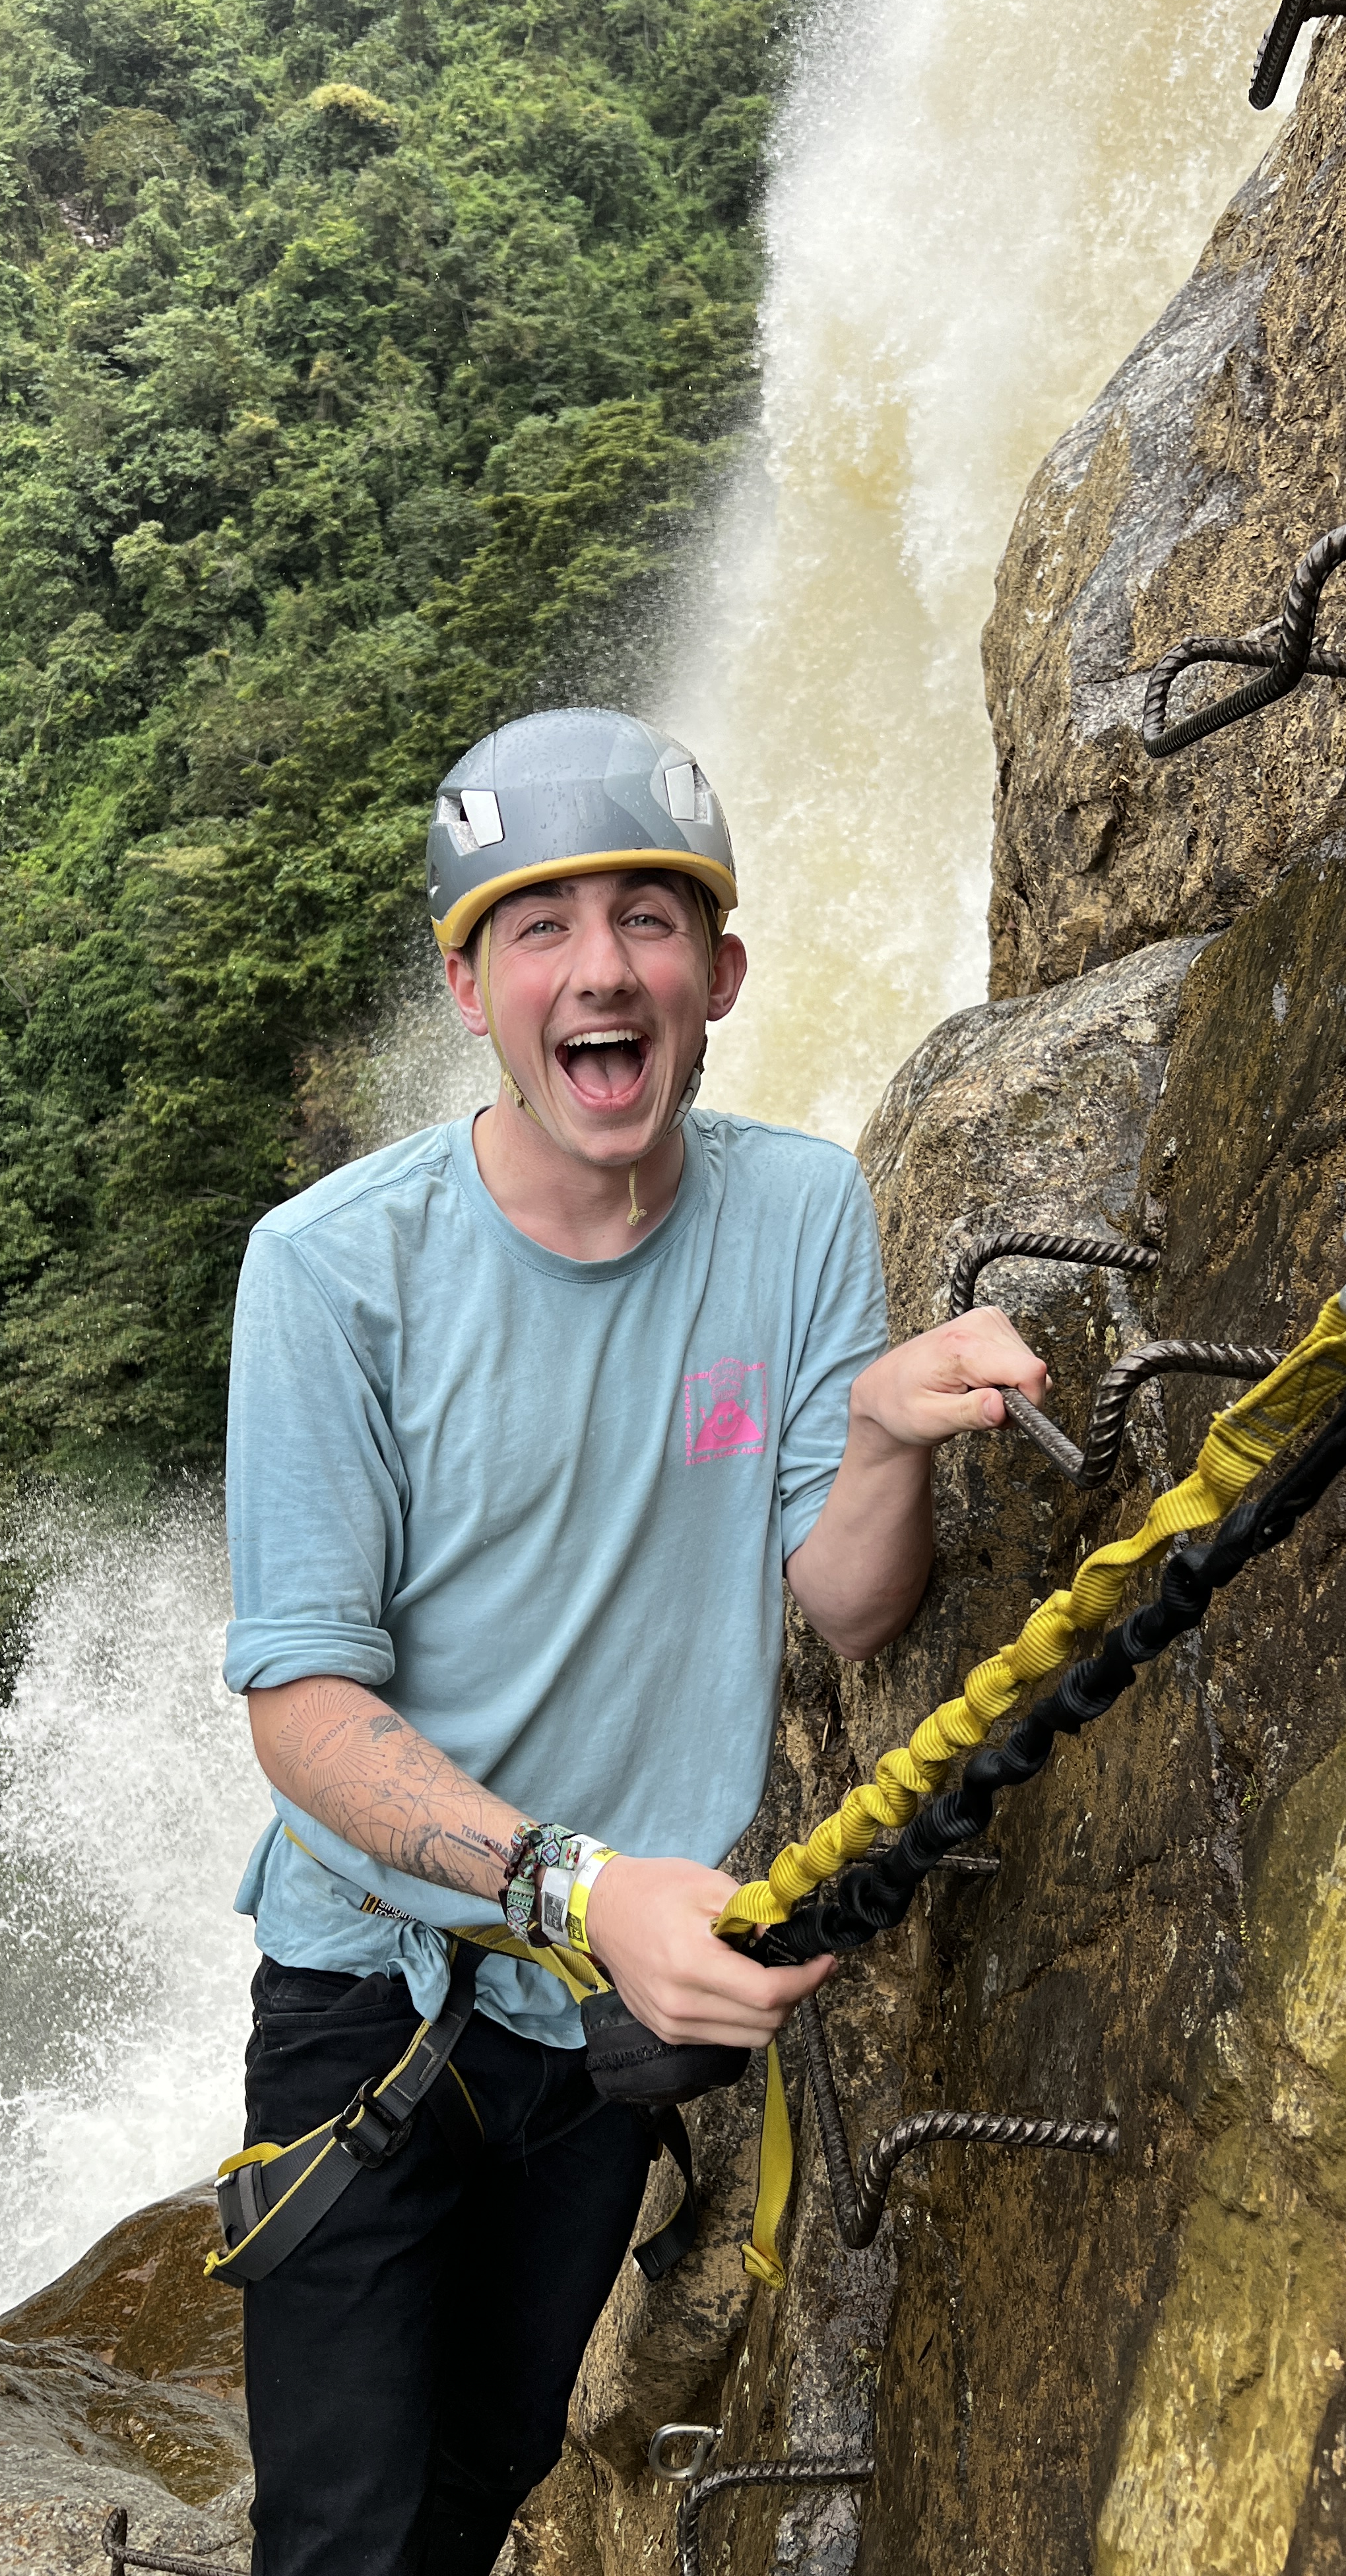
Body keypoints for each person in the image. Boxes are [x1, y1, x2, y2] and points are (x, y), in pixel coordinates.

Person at [220, 707, 1046, 2575]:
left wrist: (893, 1436)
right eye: (541, 924)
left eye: (651, 919)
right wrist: (585, 1896)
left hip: (607, 2019)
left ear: (721, 972)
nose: (603, 966)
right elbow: (303, 1716)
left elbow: (845, 1598)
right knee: (343, 2539)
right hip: (383, 2002)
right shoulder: (335, 1271)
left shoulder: (800, 1210)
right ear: (466, 987)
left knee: (483, 2475)